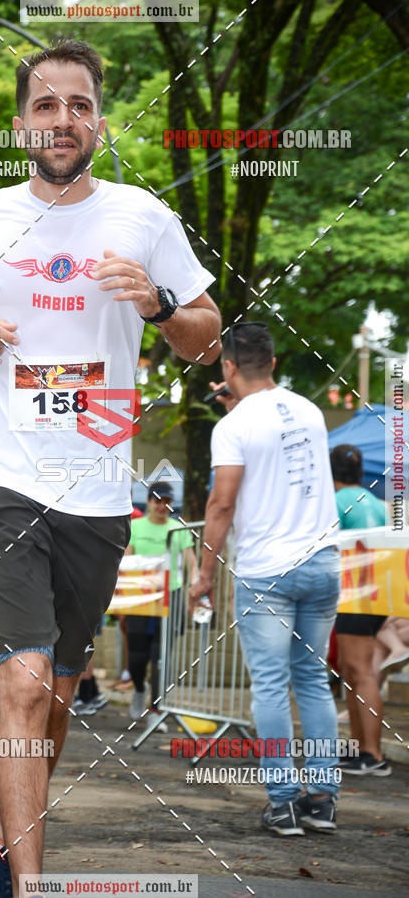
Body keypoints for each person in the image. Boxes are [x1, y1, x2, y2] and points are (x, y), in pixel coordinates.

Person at [0, 39, 221, 894]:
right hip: (0, 477)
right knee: (23, 674)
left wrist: (158, 305)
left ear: (99, 121)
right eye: (46, 107)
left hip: (96, 485)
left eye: (78, 105)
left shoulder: (141, 216)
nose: (63, 120)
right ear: (21, 127)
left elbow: (208, 335)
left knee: (59, 688)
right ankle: (31, 884)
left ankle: (8, 829)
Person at [189, 323, 341, 836]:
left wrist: (204, 573)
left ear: (228, 367)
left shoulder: (232, 427)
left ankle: (283, 803)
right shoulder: (312, 412)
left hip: (266, 571)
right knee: (313, 682)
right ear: (272, 362)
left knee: (272, 686)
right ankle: (322, 800)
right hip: (322, 562)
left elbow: (222, 503)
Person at [330, 444, 391, 776]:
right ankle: (361, 749)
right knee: (354, 672)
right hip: (376, 593)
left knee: (360, 670)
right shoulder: (376, 504)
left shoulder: (336, 502)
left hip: (354, 592)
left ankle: (372, 754)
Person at [124, 480, 196, 731]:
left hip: (171, 594)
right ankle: (138, 689)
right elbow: (126, 558)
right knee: (136, 658)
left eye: (166, 501)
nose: (162, 506)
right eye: (157, 500)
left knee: (160, 657)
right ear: (149, 502)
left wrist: (194, 590)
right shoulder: (135, 526)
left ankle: (155, 710)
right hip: (141, 595)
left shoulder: (179, 529)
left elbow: (191, 563)